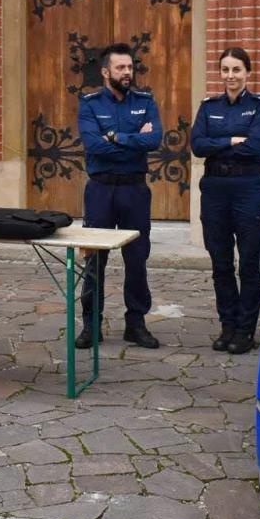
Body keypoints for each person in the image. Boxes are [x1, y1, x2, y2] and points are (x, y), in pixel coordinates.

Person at [75, 43, 162, 349]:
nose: (128, 73)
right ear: (105, 72)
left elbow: (154, 139)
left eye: (130, 67)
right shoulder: (89, 104)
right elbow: (93, 146)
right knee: (94, 260)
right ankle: (91, 326)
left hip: (135, 190)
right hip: (100, 190)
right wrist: (134, 141)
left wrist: (116, 137)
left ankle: (135, 324)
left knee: (137, 259)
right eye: (121, 68)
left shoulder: (145, 101)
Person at [190, 47, 260, 354]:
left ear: (247, 73)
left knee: (249, 262)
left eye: (236, 69)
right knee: (221, 262)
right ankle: (227, 326)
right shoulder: (208, 106)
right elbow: (197, 145)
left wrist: (220, 145)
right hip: (214, 188)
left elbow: (255, 147)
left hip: (248, 187)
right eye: (225, 70)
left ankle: (245, 330)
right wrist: (230, 140)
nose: (231, 76)